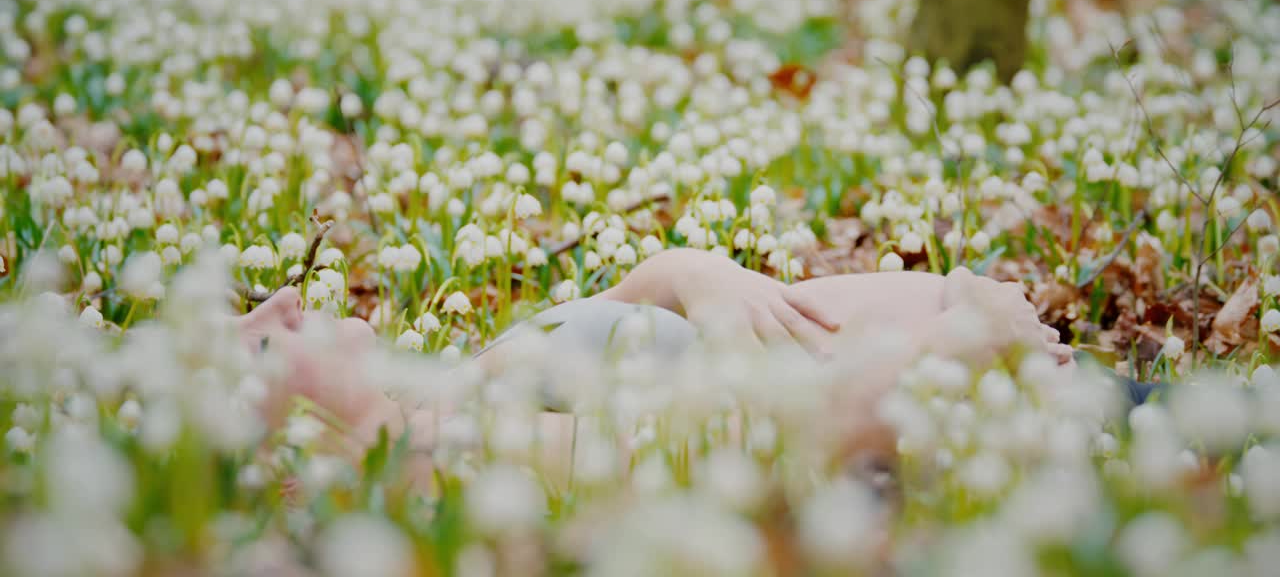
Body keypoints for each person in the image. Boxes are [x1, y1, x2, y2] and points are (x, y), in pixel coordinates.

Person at [237, 247, 1095, 483]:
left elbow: (620, 309)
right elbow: (759, 453)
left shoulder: (453, 387)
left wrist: (695, 273)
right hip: (1060, 439)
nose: (281, 301)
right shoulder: (445, 450)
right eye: (264, 340)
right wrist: (967, 339)